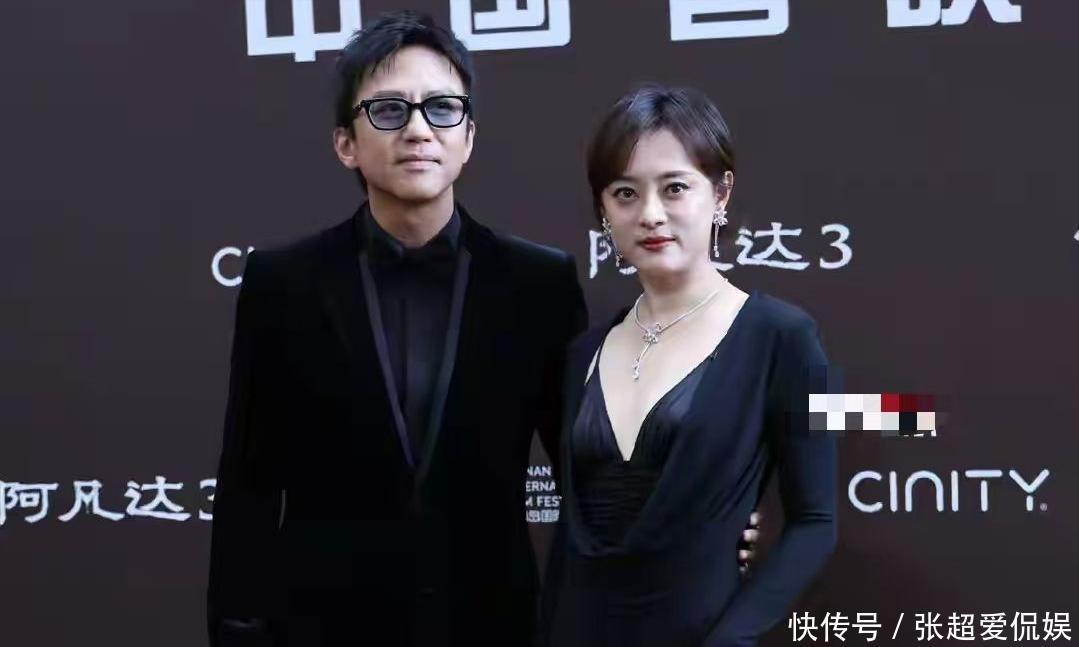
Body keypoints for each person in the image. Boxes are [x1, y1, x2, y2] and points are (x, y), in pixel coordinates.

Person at [207, 11, 759, 646]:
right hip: (319, 627)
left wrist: (709, 525)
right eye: (388, 111)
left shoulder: (537, 283)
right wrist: (236, 631)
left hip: (493, 622)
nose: (418, 129)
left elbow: (588, 465)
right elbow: (248, 480)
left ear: (468, 136)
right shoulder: (284, 283)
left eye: (442, 109)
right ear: (345, 143)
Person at [541, 85, 839, 647]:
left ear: (720, 193)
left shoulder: (782, 338)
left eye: (674, 187)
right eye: (625, 193)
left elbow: (815, 522)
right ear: (604, 211)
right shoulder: (584, 353)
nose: (650, 214)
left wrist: (733, 637)